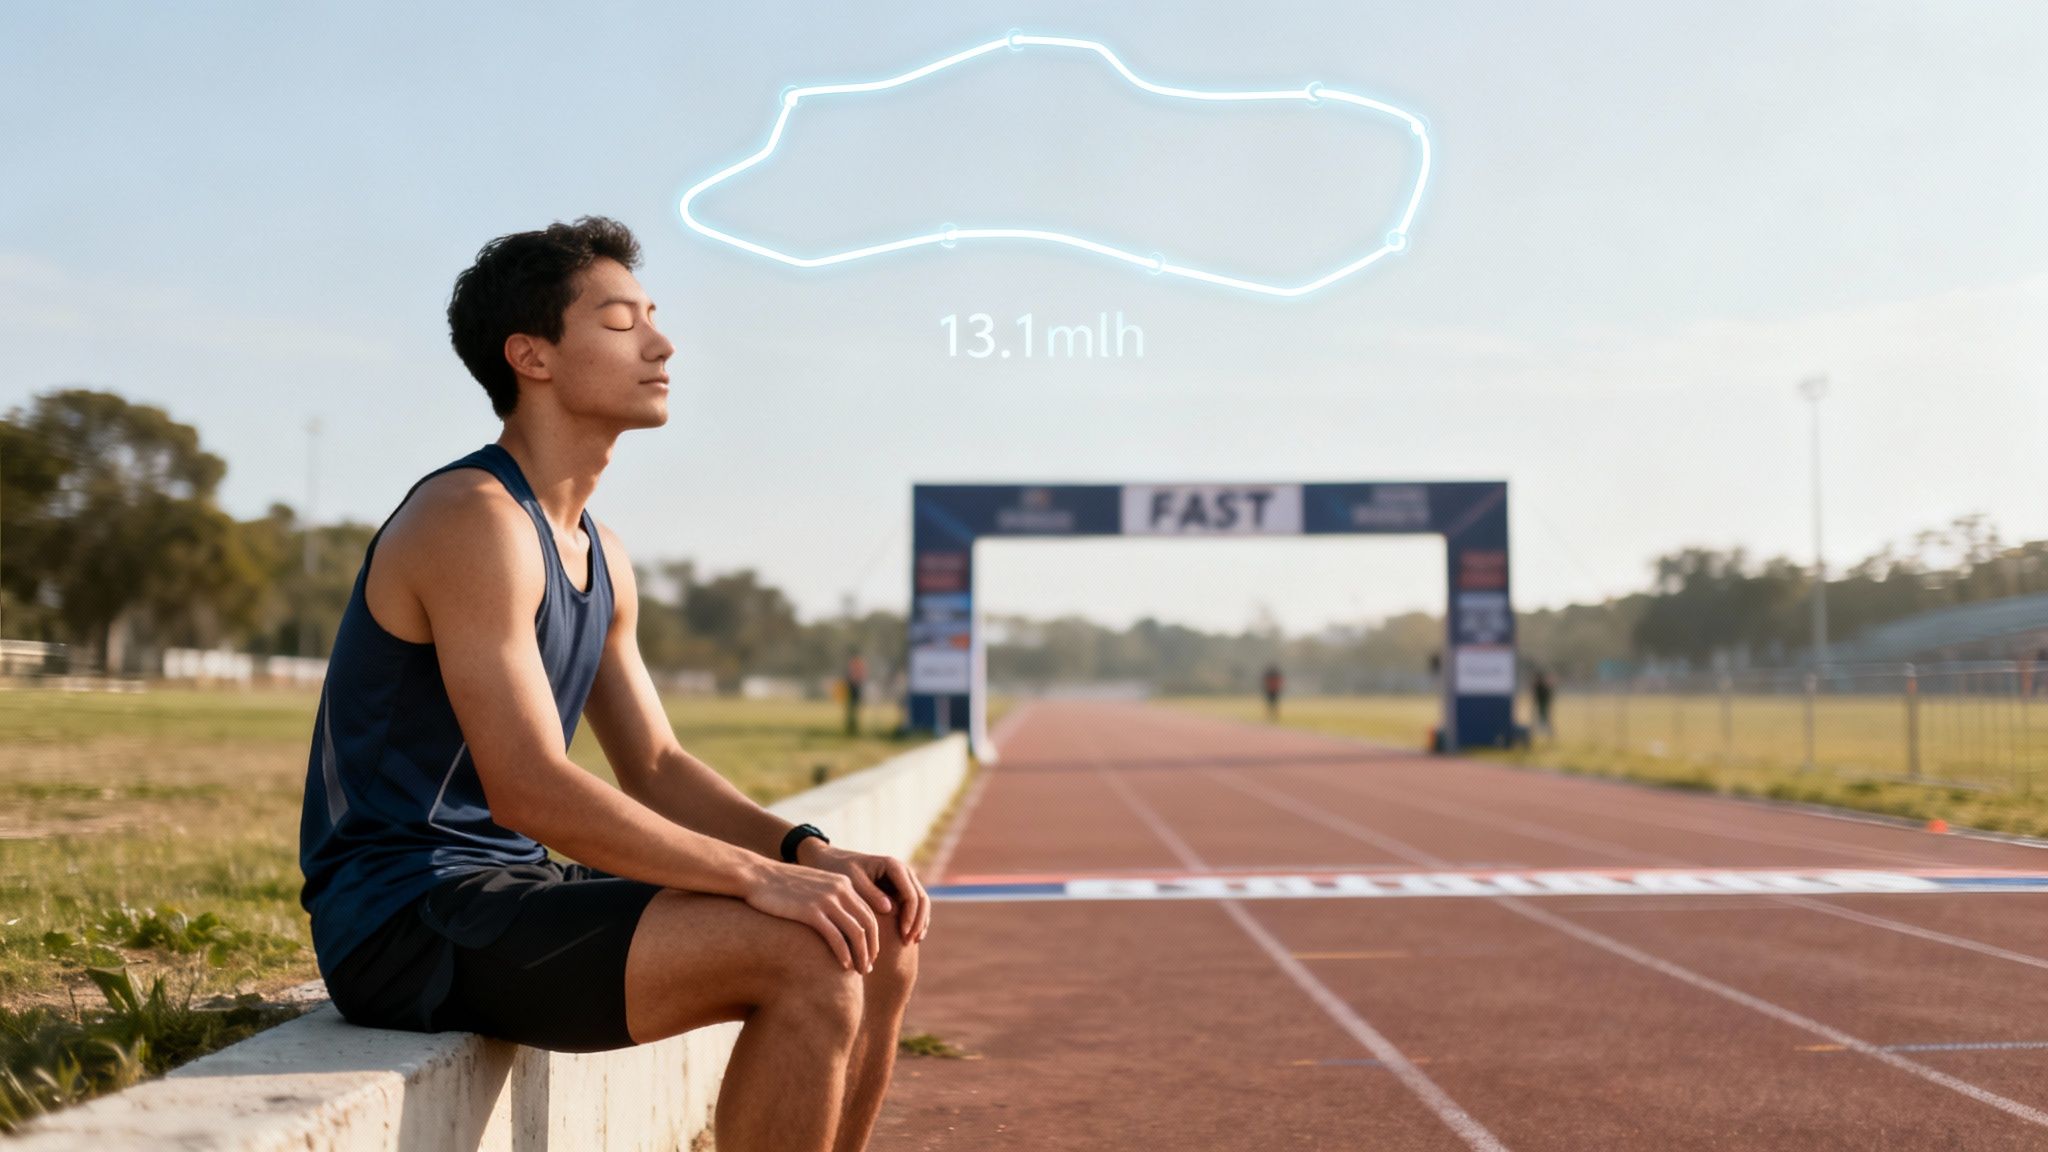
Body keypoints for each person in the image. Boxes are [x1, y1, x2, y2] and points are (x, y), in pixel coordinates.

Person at [297, 218, 927, 1152]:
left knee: (875, 937)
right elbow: (529, 787)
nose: (661, 345)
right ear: (532, 357)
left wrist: (806, 854)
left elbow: (658, 765)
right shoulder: (471, 519)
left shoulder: (603, 552)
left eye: (654, 319)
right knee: (809, 955)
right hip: (403, 914)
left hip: (507, 885)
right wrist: (762, 883)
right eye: (622, 322)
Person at [843, 651, 867, 736]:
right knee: (851, 708)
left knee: (854, 708)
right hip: (853, 687)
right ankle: (851, 726)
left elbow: (860, 675)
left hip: (855, 686)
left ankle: (853, 726)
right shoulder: (856, 663)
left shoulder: (856, 663)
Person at [1532, 668, 1556, 742]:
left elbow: (1547, 695)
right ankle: (1547, 733)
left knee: (1544, 719)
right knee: (1543, 719)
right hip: (1541, 705)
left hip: (1543, 705)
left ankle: (1549, 734)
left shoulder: (1541, 686)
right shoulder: (1539, 686)